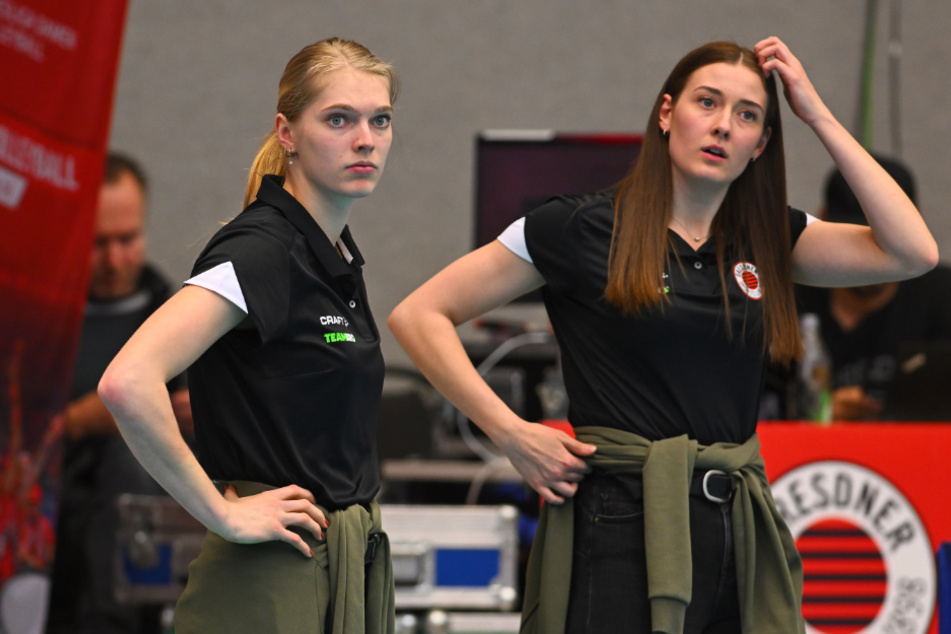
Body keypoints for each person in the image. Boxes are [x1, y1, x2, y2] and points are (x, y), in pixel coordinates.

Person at [388, 36, 937, 634]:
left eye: (747, 115)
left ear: (761, 145)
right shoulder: (576, 226)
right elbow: (419, 316)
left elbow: (913, 251)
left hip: (737, 521)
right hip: (621, 520)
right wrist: (511, 434)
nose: (724, 126)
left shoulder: (771, 238)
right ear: (667, 113)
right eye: (707, 102)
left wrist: (817, 114)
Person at [98, 38, 398, 634]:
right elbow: (128, 382)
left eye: (380, 120)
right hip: (271, 581)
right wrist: (223, 514)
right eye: (338, 119)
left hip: (331, 570)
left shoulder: (330, 256)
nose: (365, 138)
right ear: (286, 132)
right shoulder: (264, 250)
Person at [46, 152, 192, 634]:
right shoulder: (34, 324)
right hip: (49, 543)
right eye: (97, 244)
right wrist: (82, 420)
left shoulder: (178, 321)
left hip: (147, 536)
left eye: (127, 240)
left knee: (130, 456)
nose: (114, 261)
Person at [796, 156, 951, 420]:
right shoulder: (786, 297)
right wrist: (818, 412)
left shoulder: (942, 298)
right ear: (823, 223)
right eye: (857, 236)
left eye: (887, 237)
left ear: (915, 230)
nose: (875, 252)